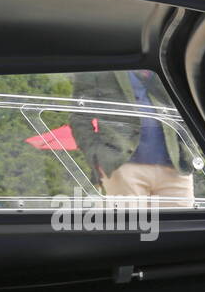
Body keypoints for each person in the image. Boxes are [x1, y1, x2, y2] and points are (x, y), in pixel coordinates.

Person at [70, 70, 195, 205]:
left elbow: (185, 108)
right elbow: (79, 115)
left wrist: (189, 151)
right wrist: (97, 156)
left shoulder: (167, 63)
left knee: (183, 222)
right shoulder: (100, 65)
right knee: (131, 225)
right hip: (123, 166)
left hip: (175, 166)